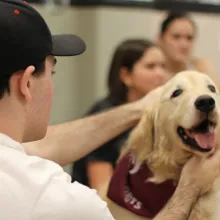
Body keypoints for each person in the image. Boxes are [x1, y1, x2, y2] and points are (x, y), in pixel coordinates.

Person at [1, 0, 219, 219]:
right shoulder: (56, 199)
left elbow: (40, 146)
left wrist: (138, 109)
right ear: (27, 83)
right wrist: (190, 189)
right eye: (52, 73)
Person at [72, 39, 167, 190]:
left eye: (163, 66)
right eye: (151, 66)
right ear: (126, 75)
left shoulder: (162, 114)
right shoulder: (104, 114)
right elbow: (102, 191)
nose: (160, 74)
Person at [157, 11, 220, 86]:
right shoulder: (153, 73)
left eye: (189, 38)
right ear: (160, 39)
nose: (184, 44)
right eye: (176, 37)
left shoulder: (201, 69)